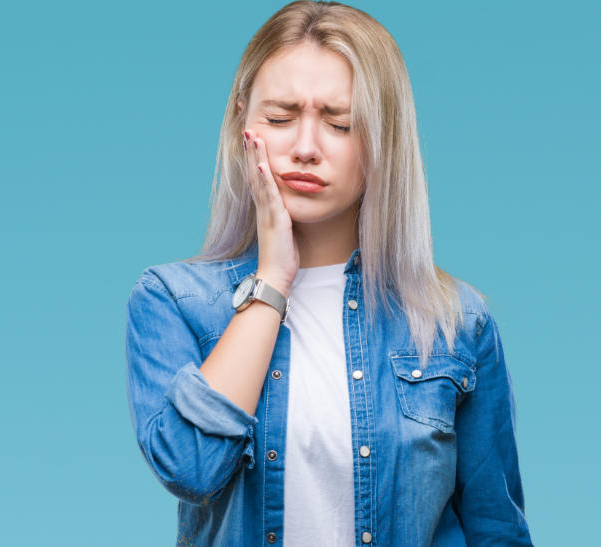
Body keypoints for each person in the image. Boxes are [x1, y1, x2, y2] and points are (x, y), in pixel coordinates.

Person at [124, 1, 533, 545]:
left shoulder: (458, 323)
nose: (306, 148)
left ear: (382, 140)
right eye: (280, 118)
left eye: (340, 124)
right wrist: (272, 280)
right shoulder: (172, 301)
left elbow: (496, 530)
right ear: (242, 122)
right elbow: (192, 470)